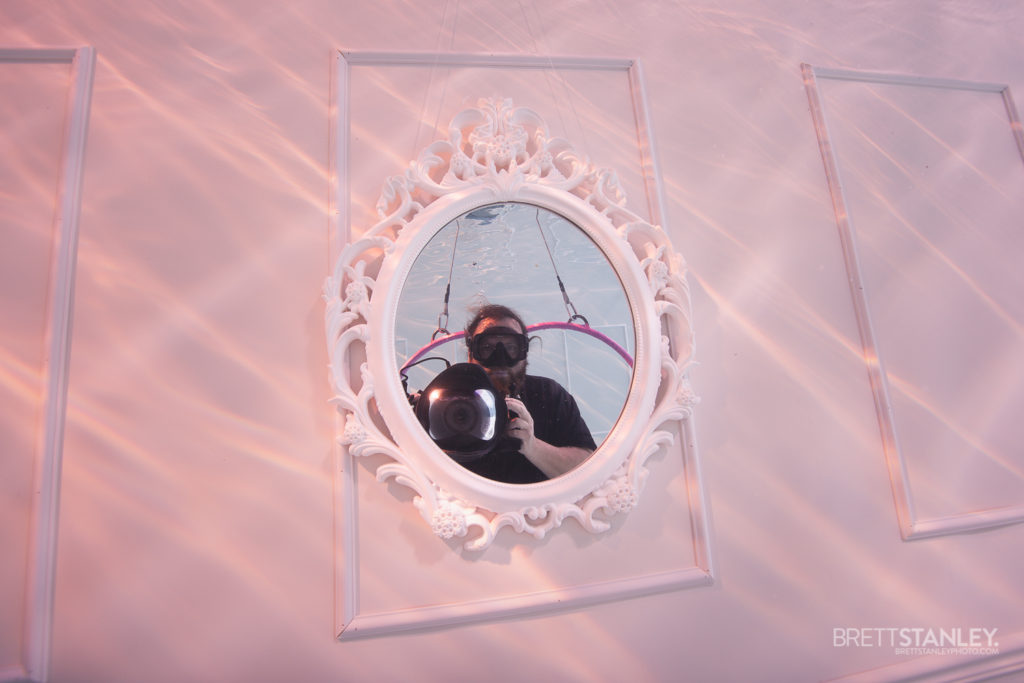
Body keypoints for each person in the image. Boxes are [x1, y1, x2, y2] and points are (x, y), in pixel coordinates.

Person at [460, 304, 596, 484]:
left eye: (510, 347)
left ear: (524, 351)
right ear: (471, 350)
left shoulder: (549, 395)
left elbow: (590, 468)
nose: (500, 358)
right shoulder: (449, 397)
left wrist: (532, 446)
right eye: (487, 347)